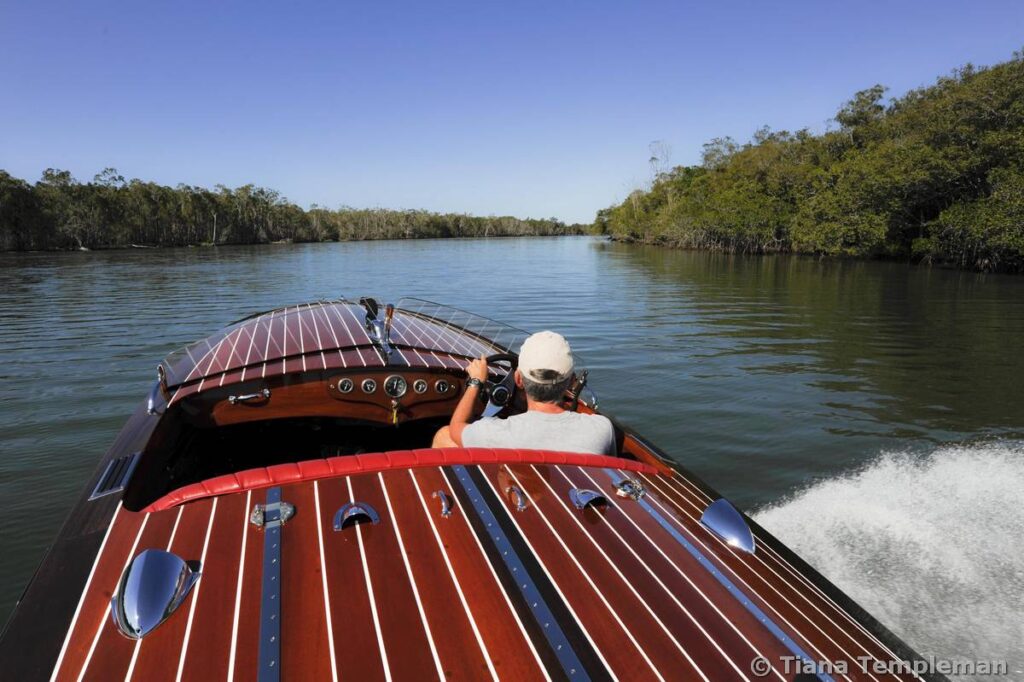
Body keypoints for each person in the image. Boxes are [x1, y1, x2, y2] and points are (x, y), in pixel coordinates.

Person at [431, 331, 615, 455]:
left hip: (515, 494)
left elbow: (456, 426)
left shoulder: (493, 433)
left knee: (444, 435)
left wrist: (475, 382)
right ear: (571, 381)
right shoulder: (601, 429)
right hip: (569, 504)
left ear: (518, 380)